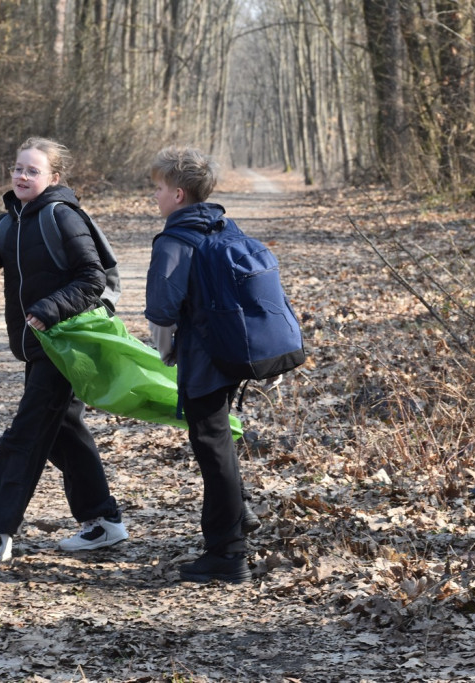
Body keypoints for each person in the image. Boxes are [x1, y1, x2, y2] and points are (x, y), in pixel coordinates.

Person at [0, 137, 127, 561]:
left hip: (67, 346)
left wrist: (49, 308)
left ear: (53, 178)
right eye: (18, 168)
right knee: (62, 434)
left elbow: (92, 278)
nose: (21, 176)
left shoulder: (62, 216)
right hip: (41, 348)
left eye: (32, 170)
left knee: (23, 436)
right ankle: (104, 521)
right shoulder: (8, 224)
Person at [144, 146, 259, 583]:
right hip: (233, 351)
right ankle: (239, 513)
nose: (155, 196)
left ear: (177, 194)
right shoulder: (222, 225)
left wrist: (166, 353)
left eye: (158, 188)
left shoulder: (175, 240)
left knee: (211, 446)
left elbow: (162, 311)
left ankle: (228, 554)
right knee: (219, 441)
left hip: (203, 358)